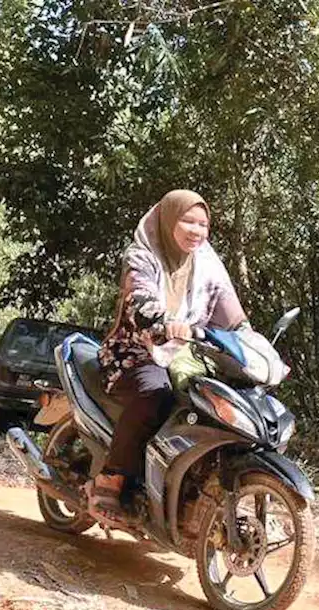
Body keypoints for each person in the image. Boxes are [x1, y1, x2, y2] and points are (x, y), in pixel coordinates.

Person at [90, 189, 246, 525]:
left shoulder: (207, 264)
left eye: (203, 224)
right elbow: (138, 297)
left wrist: (251, 341)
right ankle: (111, 480)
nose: (196, 231)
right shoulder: (142, 254)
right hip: (134, 352)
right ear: (167, 221)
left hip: (187, 355)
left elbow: (232, 315)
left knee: (218, 406)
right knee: (155, 396)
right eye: (187, 221)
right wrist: (161, 320)